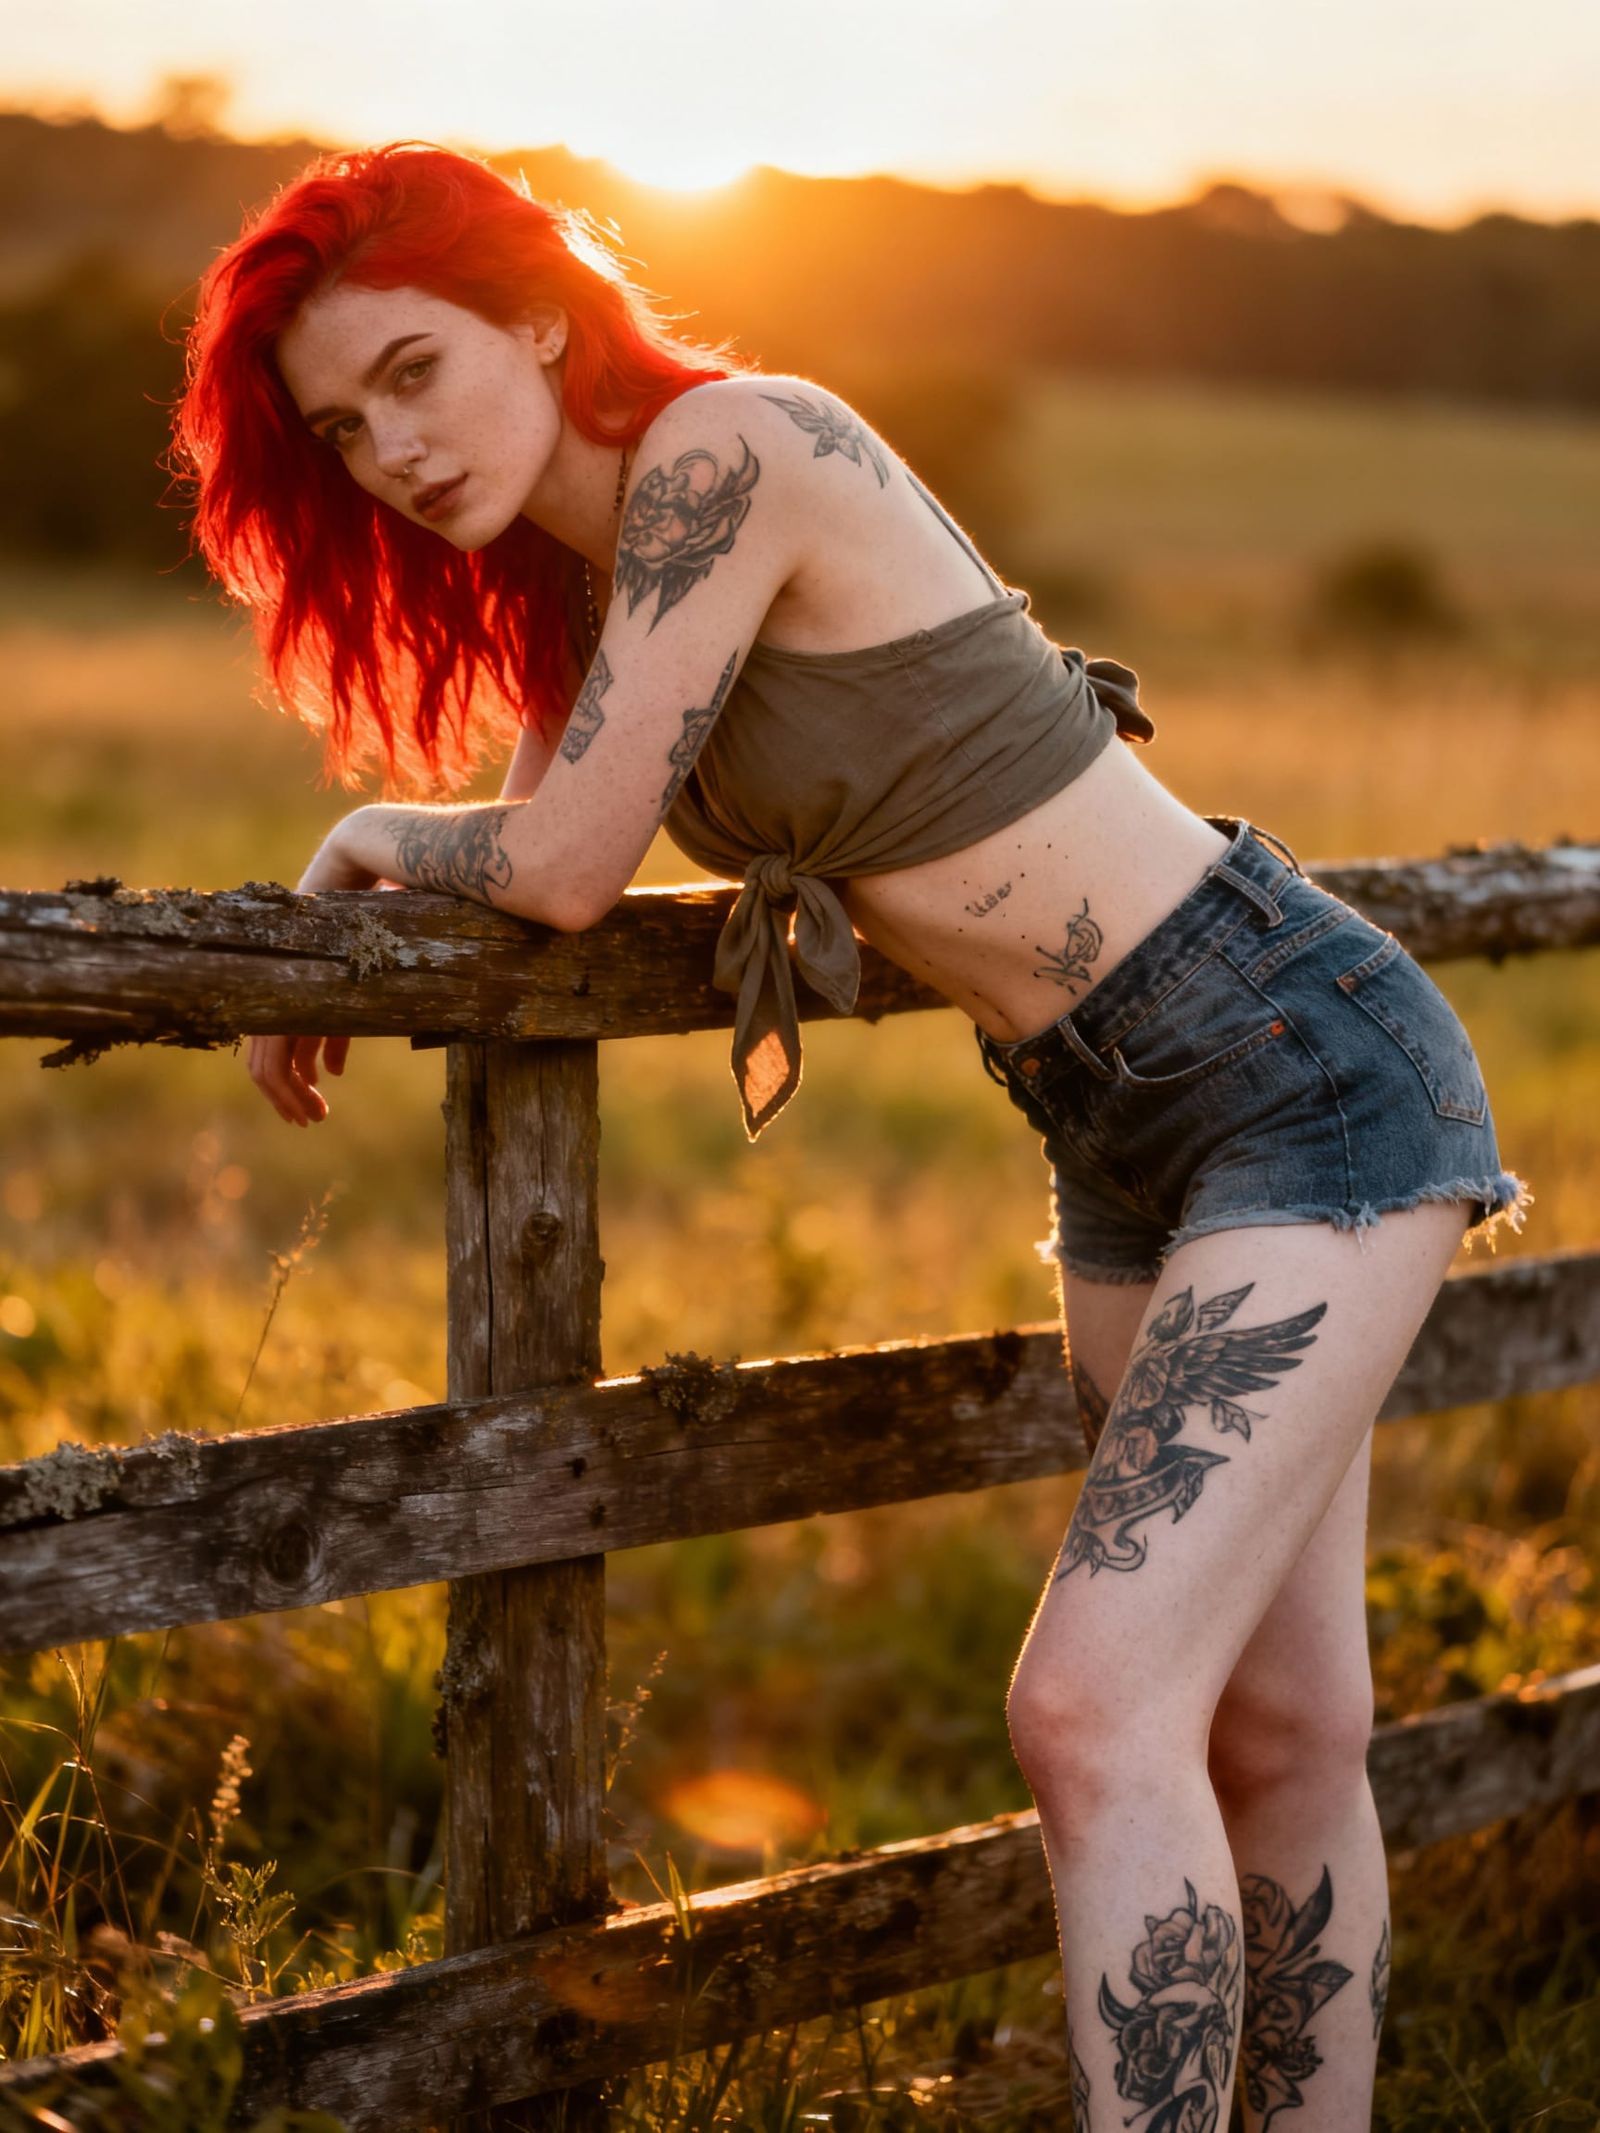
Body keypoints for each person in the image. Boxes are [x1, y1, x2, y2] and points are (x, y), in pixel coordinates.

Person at [174, 140, 1530, 2130]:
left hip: (1290, 1058)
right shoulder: (589, 589)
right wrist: (386, 904)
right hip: (1112, 1121)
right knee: (1280, 1727)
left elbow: (557, 864)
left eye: (412, 372)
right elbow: (553, 845)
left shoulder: (732, 449)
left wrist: (365, 833)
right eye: (341, 427)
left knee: (1091, 1708)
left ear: (537, 316)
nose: (392, 448)